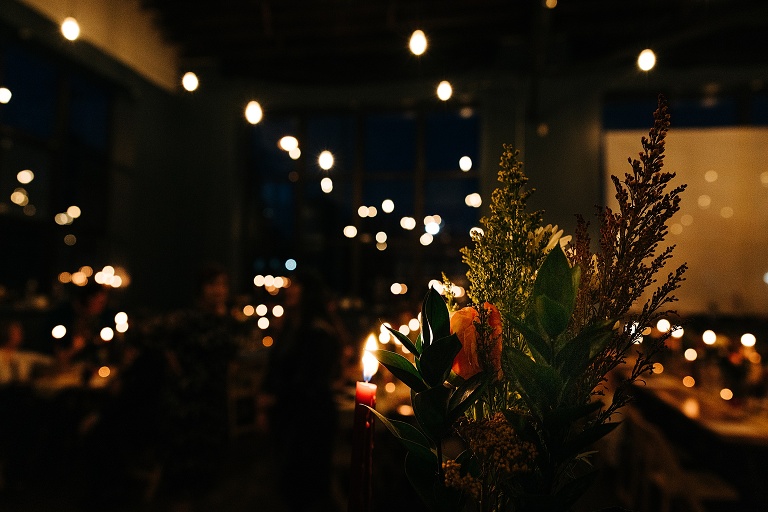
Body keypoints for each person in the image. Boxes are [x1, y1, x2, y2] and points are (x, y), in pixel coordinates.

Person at [261, 269, 344, 512]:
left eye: (296, 284)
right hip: (289, 416)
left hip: (310, 419)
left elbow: (310, 380)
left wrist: (275, 397)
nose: (290, 289)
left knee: (307, 488)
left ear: (308, 292)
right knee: (289, 486)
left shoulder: (318, 331)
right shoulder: (291, 327)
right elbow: (276, 366)